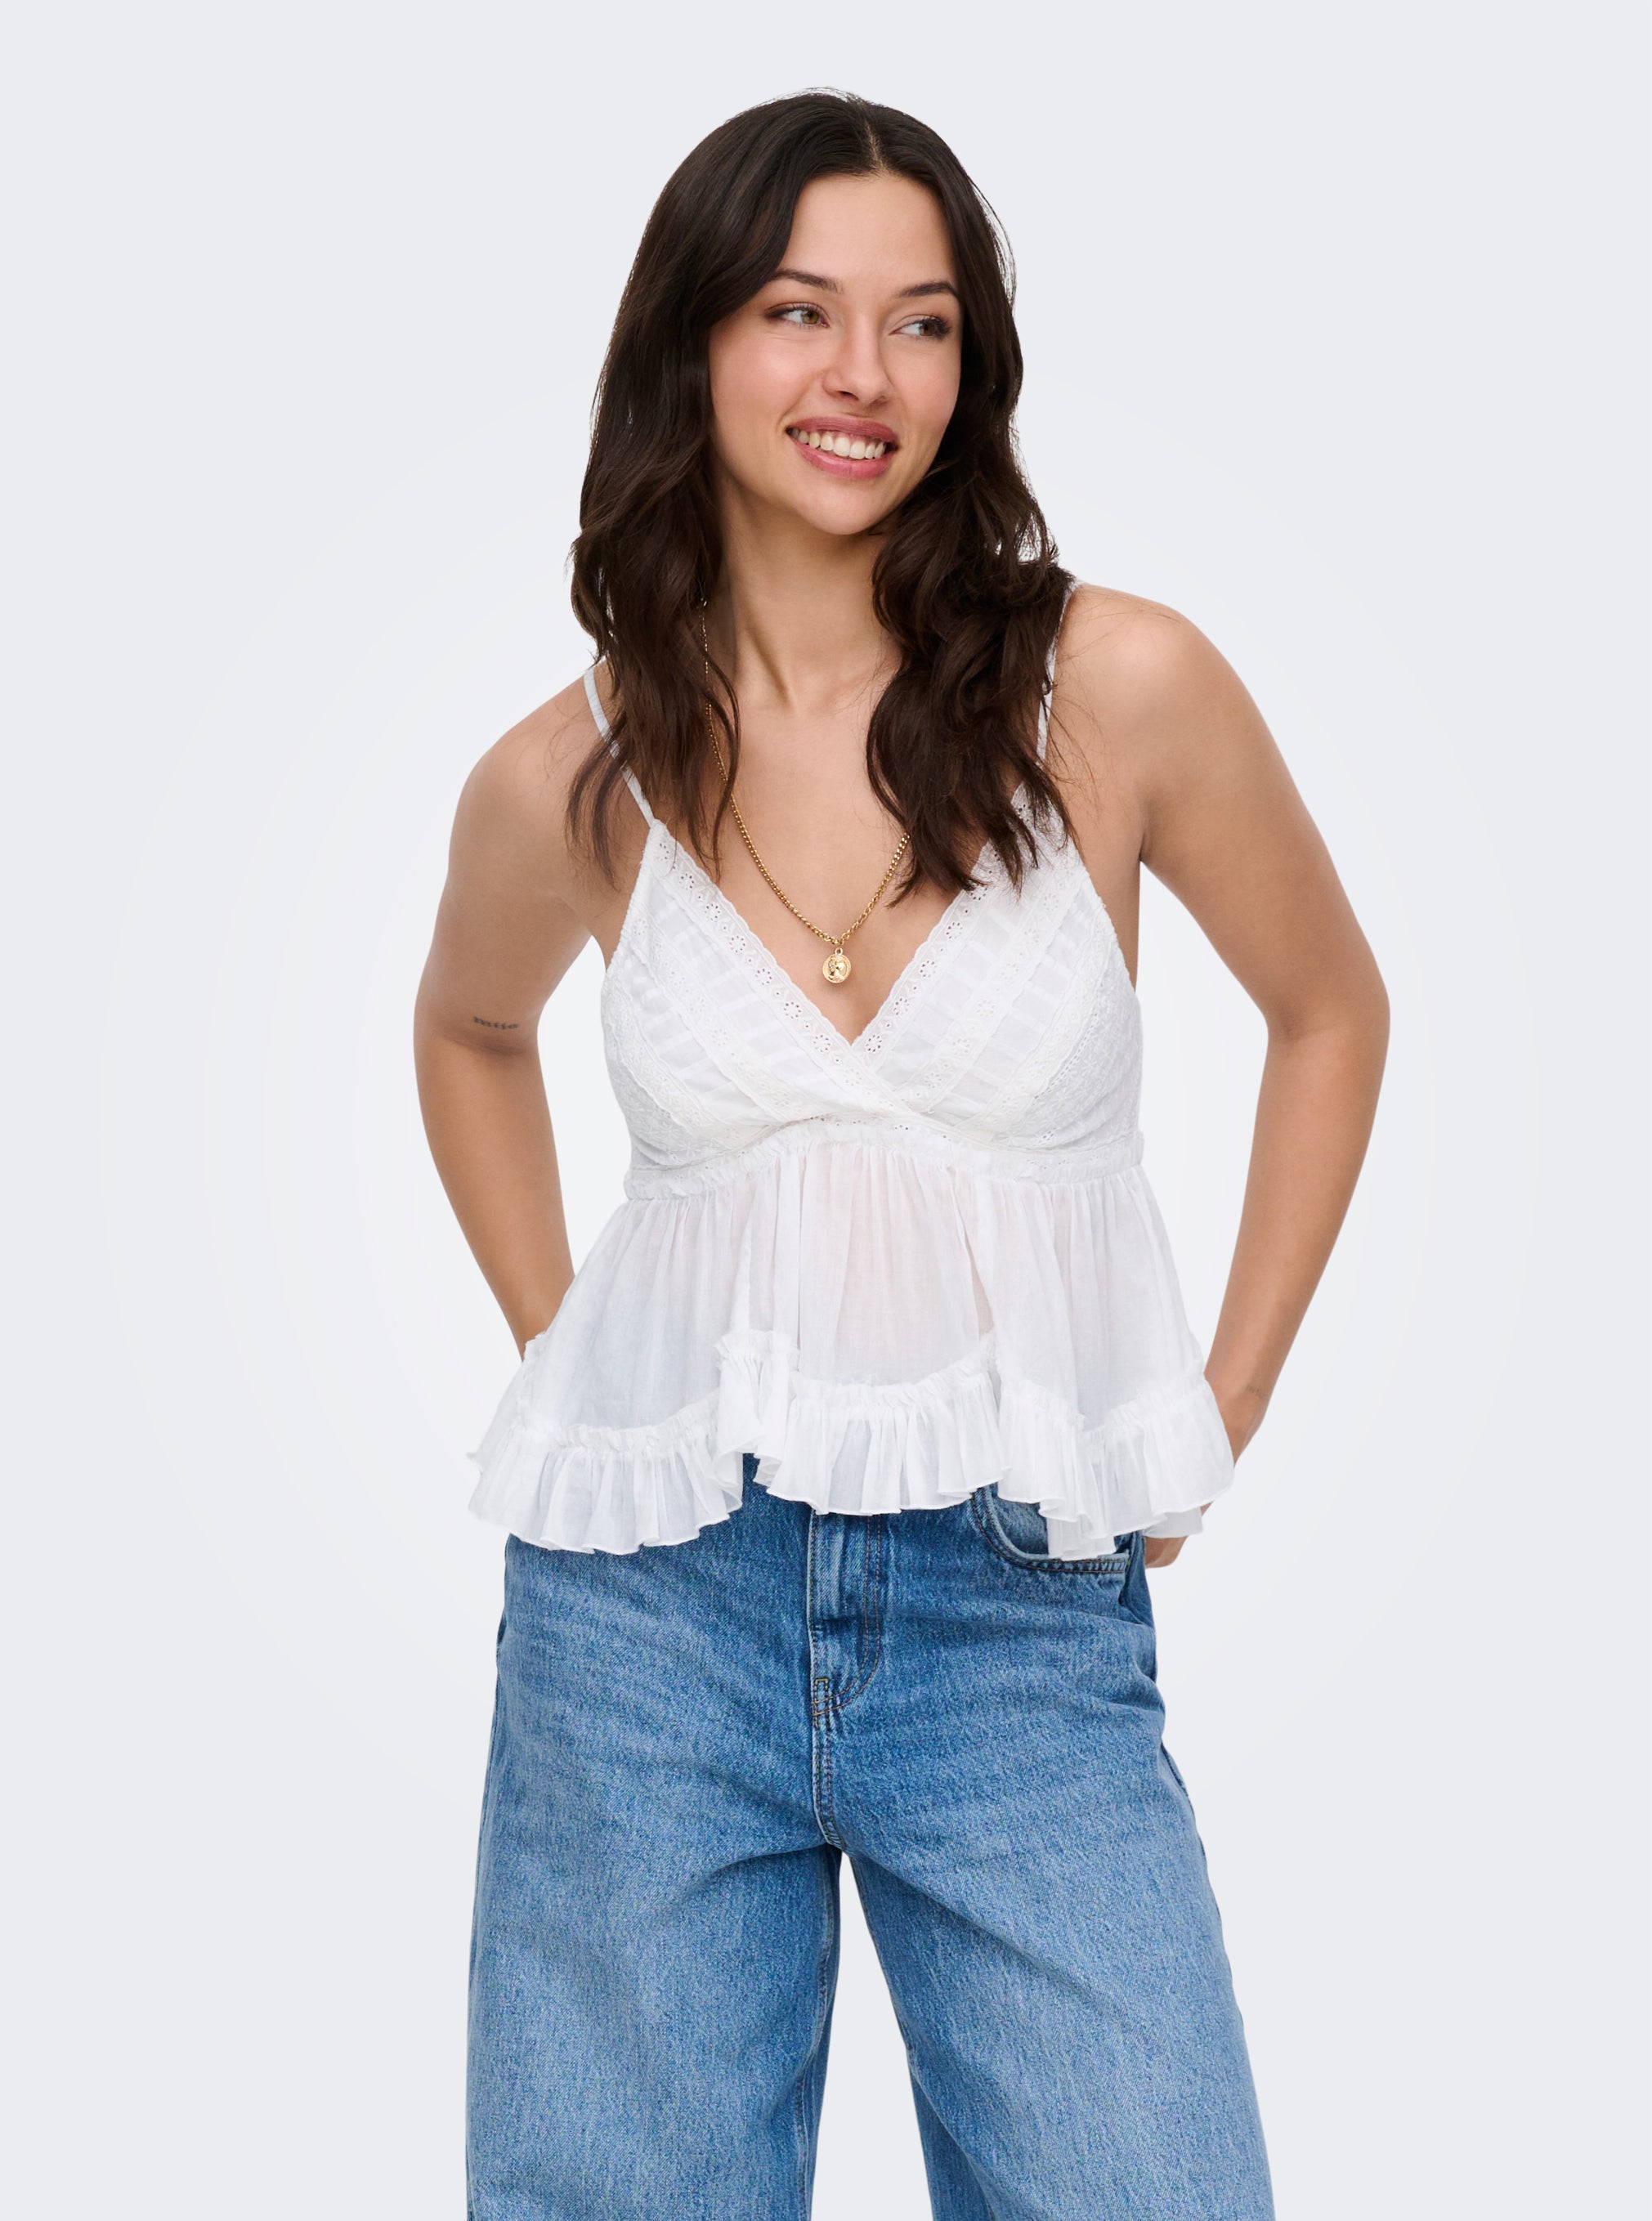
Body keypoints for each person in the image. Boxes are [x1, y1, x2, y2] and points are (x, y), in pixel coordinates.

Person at [414, 88, 1388, 2221]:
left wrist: (1215, 1403)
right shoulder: (571, 776)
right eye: (798, 310)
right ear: (690, 344)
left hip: (1014, 1597)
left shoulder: (1114, 689)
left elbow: (1333, 1010)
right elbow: (469, 1034)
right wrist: (574, 1352)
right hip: (647, 1620)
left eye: (922, 322)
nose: (864, 374)